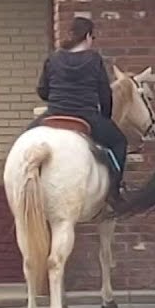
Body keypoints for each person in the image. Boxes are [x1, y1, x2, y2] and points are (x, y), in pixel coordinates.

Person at [33, 16, 129, 208]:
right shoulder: (94, 59)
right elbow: (105, 94)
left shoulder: (53, 58)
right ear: (87, 36)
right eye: (92, 37)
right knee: (120, 142)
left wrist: (56, 99)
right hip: (87, 116)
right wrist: (105, 117)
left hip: (54, 114)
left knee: (24, 139)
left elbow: (42, 90)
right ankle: (113, 192)